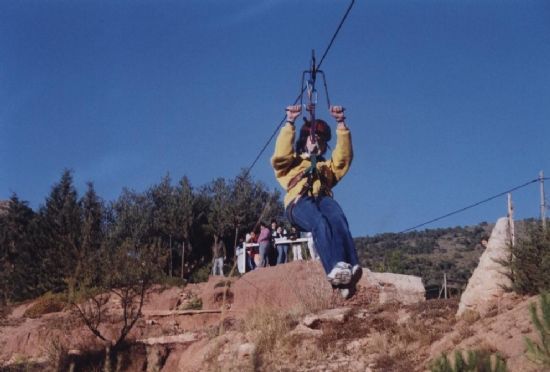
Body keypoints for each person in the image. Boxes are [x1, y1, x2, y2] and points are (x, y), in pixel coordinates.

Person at [271, 104, 362, 299]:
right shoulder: (291, 163)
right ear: (304, 141)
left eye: (320, 142)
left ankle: (350, 265)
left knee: (337, 217)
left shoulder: (325, 167)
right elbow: (280, 155)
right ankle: (334, 268)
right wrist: (290, 122)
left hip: (322, 197)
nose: (317, 143)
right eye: (313, 140)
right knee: (319, 221)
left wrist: (341, 124)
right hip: (299, 202)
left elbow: (343, 159)